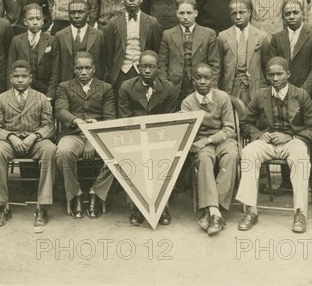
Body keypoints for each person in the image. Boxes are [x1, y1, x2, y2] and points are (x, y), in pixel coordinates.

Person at [236, 57, 312, 233]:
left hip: (292, 141)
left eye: (279, 74)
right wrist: (259, 135)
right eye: (271, 75)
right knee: (248, 152)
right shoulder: (261, 95)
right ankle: (251, 210)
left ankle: (300, 212)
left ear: (288, 74)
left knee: (300, 157)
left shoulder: (301, 95)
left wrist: (291, 136)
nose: (275, 79)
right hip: (267, 143)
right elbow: (245, 123)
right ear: (266, 76)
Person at [0, 60, 57, 228]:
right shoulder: (1, 99)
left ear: (30, 78)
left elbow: (49, 126)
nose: (20, 80)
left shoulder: (41, 98)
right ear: (10, 78)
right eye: (16, 76)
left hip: (35, 141)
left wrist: (34, 136)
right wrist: (11, 137)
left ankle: (42, 206)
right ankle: (2, 206)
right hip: (10, 142)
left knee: (50, 149)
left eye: (24, 76)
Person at [118, 50, 178, 226]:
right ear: (137, 67)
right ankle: (137, 207)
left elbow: (169, 118)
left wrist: (155, 138)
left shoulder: (168, 88)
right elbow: (125, 118)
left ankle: (162, 205)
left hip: (160, 136)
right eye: (143, 66)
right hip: (134, 135)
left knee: (162, 158)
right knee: (135, 159)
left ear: (158, 68)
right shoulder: (127, 87)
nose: (147, 70)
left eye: (151, 67)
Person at [55, 52, 116, 220]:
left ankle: (97, 192)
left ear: (94, 69)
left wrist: (93, 139)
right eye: (79, 68)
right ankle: (75, 194)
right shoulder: (64, 86)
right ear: (74, 69)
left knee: (118, 153)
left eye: (87, 68)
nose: (83, 72)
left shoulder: (106, 88)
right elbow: (61, 110)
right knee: (63, 152)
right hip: (74, 133)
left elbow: (110, 118)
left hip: (99, 135)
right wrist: (76, 121)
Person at [182, 64, 239, 236]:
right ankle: (216, 212)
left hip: (222, 139)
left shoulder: (222, 97)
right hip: (200, 142)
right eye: (198, 78)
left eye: (207, 78)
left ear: (214, 80)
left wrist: (210, 139)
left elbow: (230, 128)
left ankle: (212, 211)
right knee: (205, 159)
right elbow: (189, 132)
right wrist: (202, 141)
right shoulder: (187, 103)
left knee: (232, 155)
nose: (202, 82)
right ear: (193, 81)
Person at [103, 0, 162, 102]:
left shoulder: (152, 22)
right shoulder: (113, 23)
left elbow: (157, 51)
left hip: (145, 72)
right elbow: (109, 53)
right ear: (122, 0)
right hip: (121, 72)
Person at [158, 0, 220, 107]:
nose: (185, 17)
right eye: (182, 13)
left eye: (189, 13)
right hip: (174, 85)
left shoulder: (208, 34)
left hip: (200, 84)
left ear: (195, 13)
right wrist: (165, 86)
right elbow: (162, 63)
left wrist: (211, 86)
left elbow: (214, 64)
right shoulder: (168, 35)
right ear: (176, 13)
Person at [270, 0, 312, 109]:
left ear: (302, 14)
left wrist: (302, 93)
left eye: (295, 12)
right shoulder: (276, 38)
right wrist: (283, 91)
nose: (291, 16)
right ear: (283, 17)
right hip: (282, 93)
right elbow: (273, 68)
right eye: (287, 14)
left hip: (308, 94)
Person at [218, 0, 271, 105]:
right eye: (234, 14)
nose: (238, 17)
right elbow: (219, 66)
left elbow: (266, 66)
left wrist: (265, 88)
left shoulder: (262, 36)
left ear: (250, 12)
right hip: (231, 86)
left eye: (242, 12)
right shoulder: (223, 36)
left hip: (254, 86)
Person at [7, 3, 59, 101]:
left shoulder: (52, 40)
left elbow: (55, 71)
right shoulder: (17, 40)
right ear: (25, 22)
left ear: (43, 21)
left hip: (45, 89)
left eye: (38, 19)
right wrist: (12, 94)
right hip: (22, 89)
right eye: (31, 19)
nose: (35, 22)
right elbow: (10, 69)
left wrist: (50, 95)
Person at [55, 1, 105, 83]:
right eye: (72, 13)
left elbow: (104, 63)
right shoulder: (60, 35)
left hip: (93, 86)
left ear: (88, 14)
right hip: (67, 85)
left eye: (81, 12)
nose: (76, 16)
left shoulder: (98, 35)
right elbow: (56, 67)